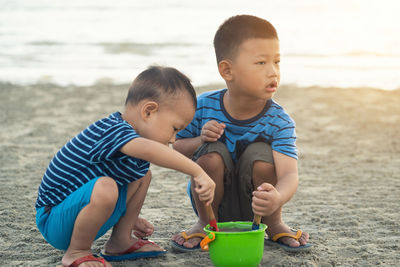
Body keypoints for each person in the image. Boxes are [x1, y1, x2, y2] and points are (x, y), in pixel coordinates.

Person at [35, 66, 216, 267]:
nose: (174, 139)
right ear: (149, 111)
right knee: (105, 186)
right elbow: (151, 152)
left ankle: (120, 241)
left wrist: (130, 217)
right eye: (174, 129)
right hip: (54, 219)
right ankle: (76, 251)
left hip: (82, 214)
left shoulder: (135, 142)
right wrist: (197, 171)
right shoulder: (112, 129)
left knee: (143, 175)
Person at [171, 15, 311, 253]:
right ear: (227, 70)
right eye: (261, 63)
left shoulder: (279, 120)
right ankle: (204, 224)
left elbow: (289, 174)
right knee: (210, 153)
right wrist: (200, 140)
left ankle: (274, 224)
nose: (273, 72)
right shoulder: (203, 107)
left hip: (259, 209)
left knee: (261, 153)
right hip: (212, 204)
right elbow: (176, 147)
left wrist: (277, 198)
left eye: (276, 62)